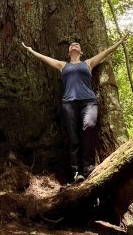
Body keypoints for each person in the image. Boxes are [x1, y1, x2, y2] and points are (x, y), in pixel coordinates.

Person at [21, 38, 123, 183]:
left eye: (77, 45)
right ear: (69, 52)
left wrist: (120, 42)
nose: (73, 45)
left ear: (81, 52)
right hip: (69, 103)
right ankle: (76, 172)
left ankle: (88, 165)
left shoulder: (88, 63)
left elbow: (106, 52)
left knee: (89, 126)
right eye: (71, 45)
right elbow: (45, 58)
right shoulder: (63, 65)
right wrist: (30, 50)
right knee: (73, 138)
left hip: (89, 102)